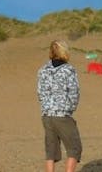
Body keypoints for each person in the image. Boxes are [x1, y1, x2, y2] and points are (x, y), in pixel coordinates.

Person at [37, 40, 82, 172]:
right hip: (62, 114)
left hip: (47, 114)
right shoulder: (68, 70)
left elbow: (39, 92)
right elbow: (74, 92)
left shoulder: (42, 70)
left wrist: (46, 106)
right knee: (74, 147)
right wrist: (70, 108)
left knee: (51, 149)